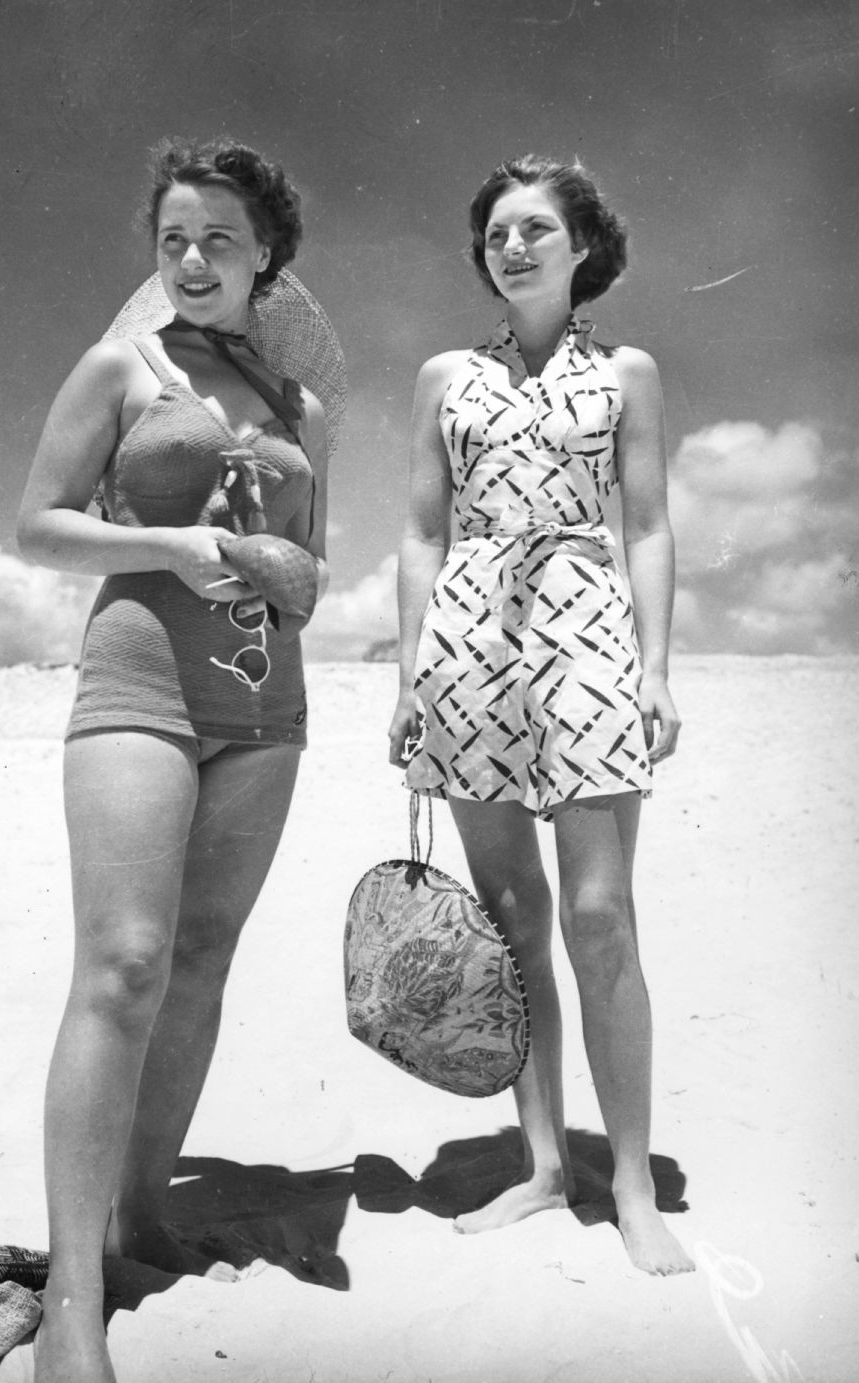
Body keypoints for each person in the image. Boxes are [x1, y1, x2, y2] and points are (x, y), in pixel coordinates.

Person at [17, 137, 332, 1383]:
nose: (193, 260)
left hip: (269, 709)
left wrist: (276, 566)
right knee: (125, 964)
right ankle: (69, 1299)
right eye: (173, 240)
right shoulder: (119, 366)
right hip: (139, 681)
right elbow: (38, 529)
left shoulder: (304, 408)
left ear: (267, 257)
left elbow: (314, 565)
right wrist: (169, 548)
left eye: (220, 240)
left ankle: (140, 1214)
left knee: (200, 963)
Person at [388, 155, 694, 1276]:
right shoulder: (441, 378)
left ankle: (628, 1182)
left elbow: (649, 524)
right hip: (468, 640)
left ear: (580, 248)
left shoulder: (627, 371)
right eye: (496, 232)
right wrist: (411, 679)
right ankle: (542, 1166)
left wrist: (655, 668)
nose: (511, 247)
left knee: (600, 914)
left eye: (535, 230)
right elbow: (422, 533)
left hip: (587, 629)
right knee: (512, 918)